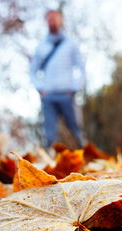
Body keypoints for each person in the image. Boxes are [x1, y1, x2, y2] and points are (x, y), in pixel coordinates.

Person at [30, 9, 86, 148]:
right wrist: (40, 89)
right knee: (49, 134)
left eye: (54, 18)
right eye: (49, 19)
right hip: (48, 96)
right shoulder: (42, 46)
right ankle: (50, 164)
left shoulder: (70, 44)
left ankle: (87, 157)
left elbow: (81, 68)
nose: (52, 21)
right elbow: (33, 70)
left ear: (61, 20)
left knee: (76, 129)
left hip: (67, 94)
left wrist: (75, 88)